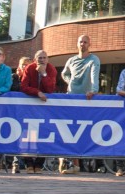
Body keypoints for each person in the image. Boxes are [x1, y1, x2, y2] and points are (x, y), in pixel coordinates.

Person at [60, 34, 100, 174]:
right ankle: (72, 163)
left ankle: (80, 162)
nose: (82, 44)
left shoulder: (93, 59)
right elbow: (64, 73)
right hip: (71, 98)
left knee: (84, 131)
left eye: (85, 42)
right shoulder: (71, 60)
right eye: (80, 42)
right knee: (70, 130)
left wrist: (93, 90)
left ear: (89, 44)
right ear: (77, 44)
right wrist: (70, 82)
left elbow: (94, 75)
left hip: (86, 100)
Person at [18, 50, 57, 173]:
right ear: (35, 59)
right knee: (27, 134)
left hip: (44, 108)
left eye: (44, 58)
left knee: (44, 134)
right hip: (29, 107)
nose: (42, 60)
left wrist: (44, 74)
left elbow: (50, 89)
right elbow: (24, 87)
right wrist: (37, 92)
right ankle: (29, 164)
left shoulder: (51, 69)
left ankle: (39, 164)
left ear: (47, 59)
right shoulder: (29, 68)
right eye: (39, 58)